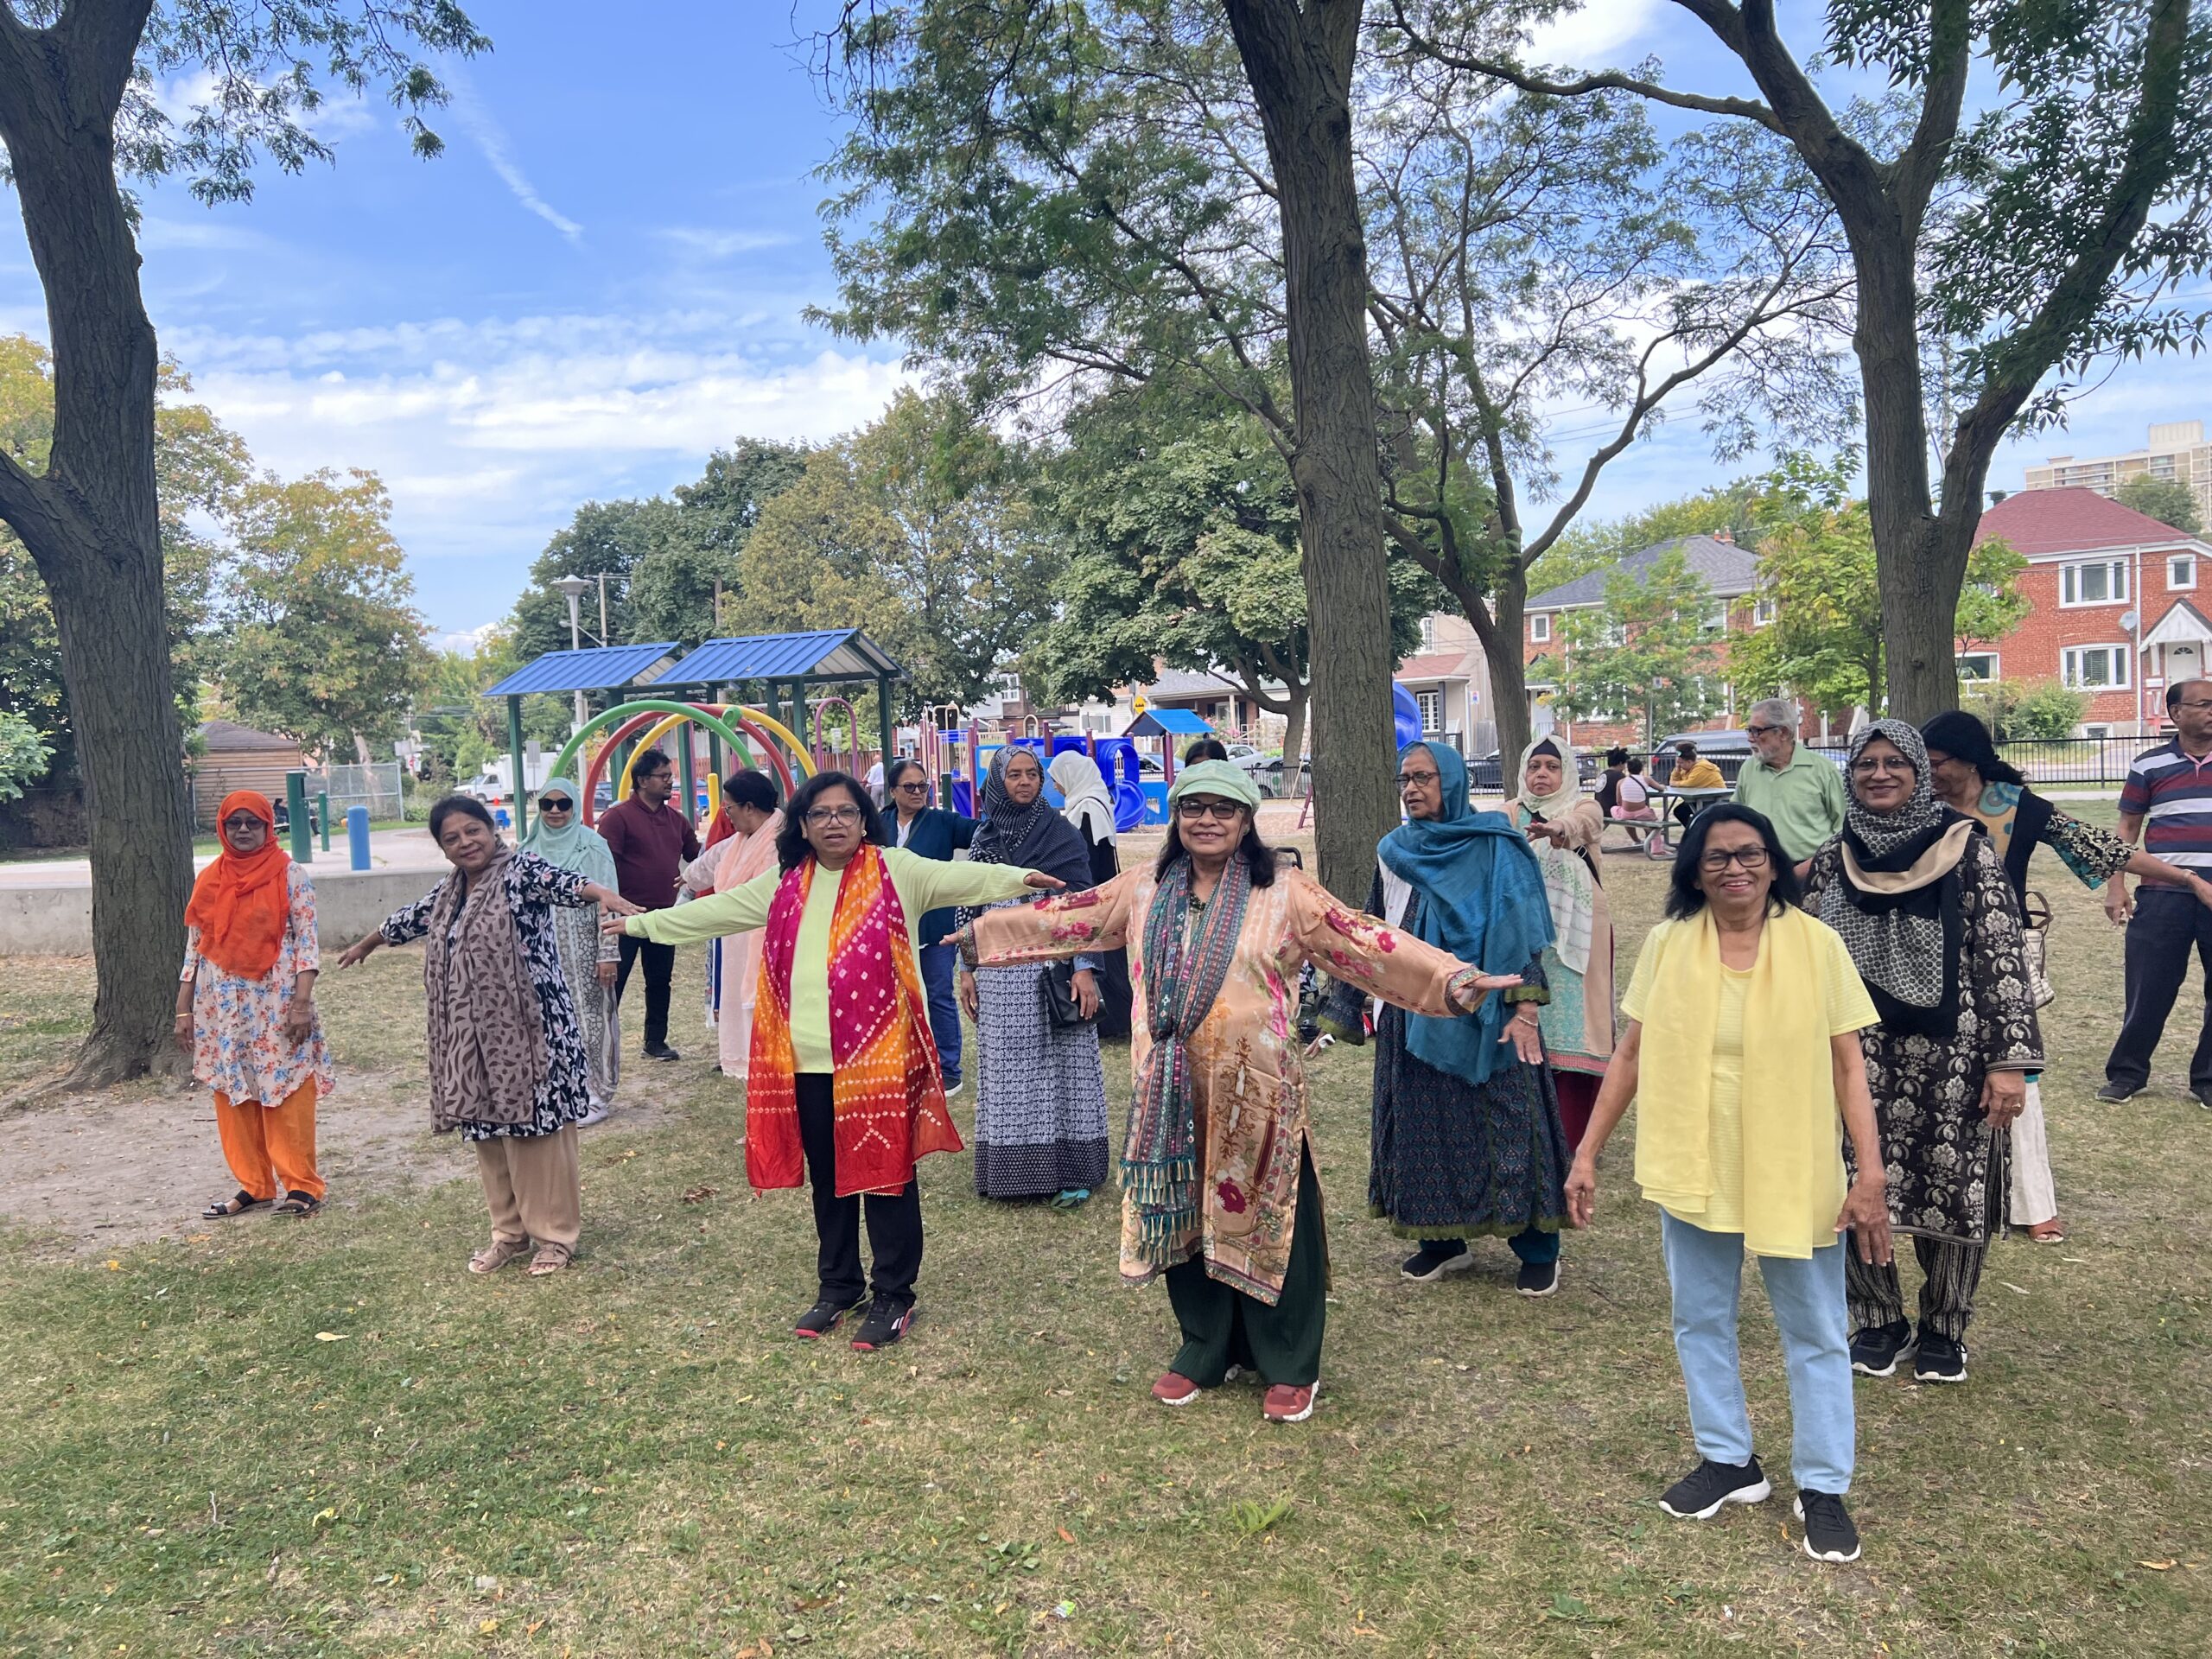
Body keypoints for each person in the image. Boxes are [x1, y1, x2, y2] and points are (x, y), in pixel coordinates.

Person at [959, 760, 1520, 1425]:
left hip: (1259, 1093)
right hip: (1170, 1092)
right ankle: (1206, 1346)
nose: (1207, 820)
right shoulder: (1143, 888)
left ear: (1247, 820)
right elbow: (1067, 918)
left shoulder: (1285, 893)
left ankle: (1288, 1359)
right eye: (1193, 807)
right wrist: (982, 935)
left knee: (1274, 1217)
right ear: (1176, 817)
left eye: (1222, 809)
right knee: (1182, 1215)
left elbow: (1365, 940)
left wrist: (1452, 979)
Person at [610, 771, 1061, 1349]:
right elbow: (712, 914)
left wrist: (1021, 876)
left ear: (863, 819)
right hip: (807, 1063)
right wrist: (640, 923)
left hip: (879, 1060)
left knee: (889, 1179)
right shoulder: (786, 881)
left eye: (846, 812)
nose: (834, 823)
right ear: (801, 823)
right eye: (820, 813)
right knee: (830, 1180)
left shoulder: (896, 870)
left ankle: (895, 1294)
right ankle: (839, 1284)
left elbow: (960, 877)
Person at [1565, 804, 1890, 1565]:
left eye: (1749, 854)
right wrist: (1586, 1153)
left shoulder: (1816, 945)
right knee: (1699, 1318)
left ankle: (1823, 1485)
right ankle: (1728, 1458)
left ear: (1774, 864)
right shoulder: (1669, 944)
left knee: (1812, 1329)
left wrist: (1869, 1172)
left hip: (1795, 1166)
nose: (1734, 869)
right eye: (1716, 858)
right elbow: (1632, 1056)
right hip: (1696, 1162)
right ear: (1694, 871)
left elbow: (1850, 1067)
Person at [1802, 721, 2043, 1385]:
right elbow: (1801, 962)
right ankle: (1877, 1318)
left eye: (1894, 764)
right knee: (1850, 1176)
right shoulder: (1832, 858)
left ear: (1917, 772)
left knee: (1953, 1189)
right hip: (1856, 1056)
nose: (1879, 775)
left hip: (1953, 1057)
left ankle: (1945, 1325)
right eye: (1865, 765)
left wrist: (2008, 1061)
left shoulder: (1966, 851)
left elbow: (2001, 955)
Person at [1923, 710, 2212, 1239]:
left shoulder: (2019, 809)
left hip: (1999, 964)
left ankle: (2033, 1206)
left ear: (1969, 760)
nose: (1927, 772)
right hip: (1923, 961)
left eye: (1936, 762)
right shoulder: (1915, 806)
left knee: (2014, 1075)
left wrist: (2187, 878)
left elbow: (2104, 849)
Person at [338, 796, 639, 1276]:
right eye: (452, 838)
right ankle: (510, 1233)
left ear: (491, 829)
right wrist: (366, 944)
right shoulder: (450, 891)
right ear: (443, 849)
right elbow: (409, 919)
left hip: (533, 1034)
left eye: (472, 831)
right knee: (489, 1133)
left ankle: (555, 1238)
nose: (465, 843)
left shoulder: (520, 871)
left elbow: (562, 883)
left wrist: (599, 893)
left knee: (539, 1138)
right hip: (472, 1040)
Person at [1317, 741, 1568, 1294]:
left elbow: (1521, 926)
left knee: (1507, 1122)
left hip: (1492, 1011)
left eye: (1424, 778)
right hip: (1414, 1011)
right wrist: (1343, 1008)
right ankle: (1441, 1242)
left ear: (1450, 782)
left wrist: (1526, 1008)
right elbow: (1370, 933)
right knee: (1421, 1123)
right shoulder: (1394, 850)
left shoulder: (1496, 846)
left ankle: (1536, 1247)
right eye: (1404, 779)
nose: (1411, 789)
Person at [957, 746, 1112, 1205]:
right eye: (1014, 776)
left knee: (1063, 1069)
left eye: (1032, 775)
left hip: (1052, 964)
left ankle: (1071, 1170)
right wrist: (967, 968)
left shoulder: (1060, 834)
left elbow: (1086, 902)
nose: (1025, 783)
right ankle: (1011, 1175)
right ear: (997, 782)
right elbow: (969, 905)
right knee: (1007, 1069)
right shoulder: (983, 837)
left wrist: (1085, 969)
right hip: (999, 973)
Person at [178, 791, 334, 1220]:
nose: (243, 830)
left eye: (253, 823)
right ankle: (255, 1185)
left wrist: (301, 1004)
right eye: (234, 823)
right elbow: (195, 949)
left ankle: (302, 1185)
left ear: (269, 826)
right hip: (222, 1007)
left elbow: (307, 944)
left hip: (277, 1001)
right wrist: (183, 1009)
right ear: (222, 828)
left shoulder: (290, 875)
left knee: (285, 1088)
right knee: (234, 1090)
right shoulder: (210, 878)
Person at [2101, 678, 2212, 1106]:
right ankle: (2127, 1074)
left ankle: (2207, 1080)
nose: (2211, 711)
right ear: (2176, 714)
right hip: (2164, 894)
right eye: (2202, 705)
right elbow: (2126, 831)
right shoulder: (2149, 766)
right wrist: (2116, 886)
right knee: (2148, 988)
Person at [1510, 737, 1615, 1150]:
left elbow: (1584, 824)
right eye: (1534, 766)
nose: (1542, 774)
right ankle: (1531, 1133)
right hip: (1526, 935)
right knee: (1529, 1026)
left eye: (1552, 767)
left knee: (1578, 1031)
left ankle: (1575, 1137)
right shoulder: (1510, 813)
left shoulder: (1582, 807)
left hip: (1581, 936)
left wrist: (1557, 829)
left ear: (1566, 772)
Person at [519, 776, 622, 1123]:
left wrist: (607, 953)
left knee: (591, 1019)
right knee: (548, 1021)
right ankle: (564, 1092)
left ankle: (596, 1095)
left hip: (584, 949)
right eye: (547, 804)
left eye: (563, 804)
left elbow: (611, 901)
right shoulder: (526, 850)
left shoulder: (592, 846)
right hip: (541, 952)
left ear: (575, 807)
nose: (555, 811)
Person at [677, 770, 783, 1082]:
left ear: (749, 807)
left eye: (729, 808)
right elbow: (705, 866)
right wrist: (687, 880)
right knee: (742, 1020)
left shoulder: (782, 839)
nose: (727, 815)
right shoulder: (737, 842)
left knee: (771, 1031)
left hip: (770, 945)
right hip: (735, 943)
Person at [883, 756, 978, 1094]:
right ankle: (902, 1065)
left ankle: (948, 1069)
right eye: (909, 787)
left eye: (923, 786)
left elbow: (983, 834)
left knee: (938, 995)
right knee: (893, 1000)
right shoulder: (877, 824)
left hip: (934, 928)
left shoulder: (943, 822)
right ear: (893, 791)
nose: (918, 792)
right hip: (889, 929)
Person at [598, 748, 700, 1063]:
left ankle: (655, 1042)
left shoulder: (677, 820)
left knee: (660, 980)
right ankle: (600, 1043)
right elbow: (604, 865)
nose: (670, 782)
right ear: (642, 780)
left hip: (662, 916)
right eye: (663, 776)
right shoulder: (617, 818)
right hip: (623, 916)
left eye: (670, 776)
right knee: (613, 981)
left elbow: (698, 857)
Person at [1050, 747, 1134, 1039]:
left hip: (1096, 894)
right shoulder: (1090, 801)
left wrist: (1083, 896)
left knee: (1105, 961)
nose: (1056, 786)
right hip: (1100, 892)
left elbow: (1089, 856)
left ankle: (1116, 1023)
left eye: (1058, 779)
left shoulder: (1087, 807)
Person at [1732, 697, 1847, 871]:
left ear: (1784, 733)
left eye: (1756, 731)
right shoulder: (1749, 769)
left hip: (1813, 869)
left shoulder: (1822, 770)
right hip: (1760, 868)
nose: (1750, 738)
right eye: (1748, 730)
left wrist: (1815, 865)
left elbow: (1843, 828)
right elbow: (1736, 817)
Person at [1669, 741, 1726, 828]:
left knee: (1692, 815)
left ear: (1689, 762)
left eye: (1681, 763)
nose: (1680, 766)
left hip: (1715, 799)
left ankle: (1697, 833)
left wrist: (1675, 783)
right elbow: (1673, 781)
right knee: (1680, 812)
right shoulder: (1685, 769)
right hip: (1700, 799)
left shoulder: (1702, 768)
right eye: (1678, 763)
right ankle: (1693, 833)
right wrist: (1677, 770)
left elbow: (1690, 784)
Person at [1592, 747, 1630, 818]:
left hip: (1599, 809)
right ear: (1620, 763)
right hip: (1611, 811)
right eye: (1625, 763)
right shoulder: (1620, 776)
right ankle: (1649, 829)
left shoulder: (1603, 774)